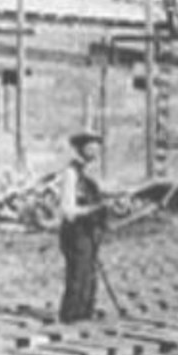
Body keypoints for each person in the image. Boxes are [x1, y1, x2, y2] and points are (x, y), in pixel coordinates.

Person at [58, 132, 107, 324]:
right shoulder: (71, 174)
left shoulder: (87, 173)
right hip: (75, 231)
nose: (95, 151)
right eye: (91, 147)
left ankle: (86, 314)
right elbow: (67, 209)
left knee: (90, 274)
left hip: (89, 231)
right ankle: (70, 316)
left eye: (97, 147)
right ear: (81, 149)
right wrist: (92, 209)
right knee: (78, 274)